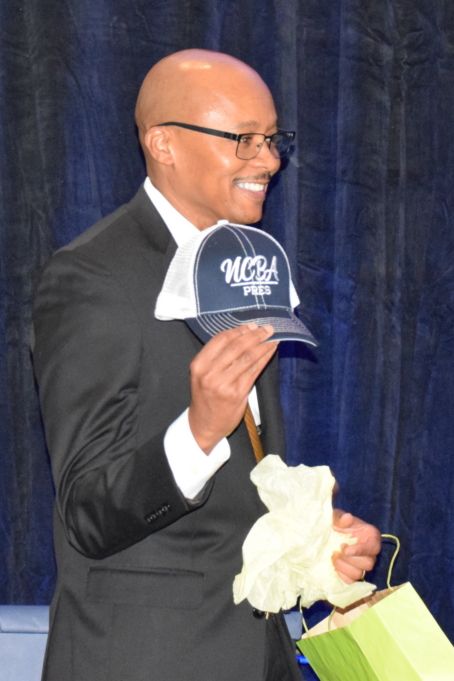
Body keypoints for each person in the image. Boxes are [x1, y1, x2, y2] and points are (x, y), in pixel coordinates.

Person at [32, 49, 381, 681]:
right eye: (244, 139)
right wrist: (196, 431)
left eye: (273, 139)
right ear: (163, 142)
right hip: (149, 660)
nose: (270, 160)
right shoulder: (90, 276)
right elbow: (86, 510)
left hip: (259, 655)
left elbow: (235, 497)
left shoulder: (242, 267)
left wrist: (312, 539)